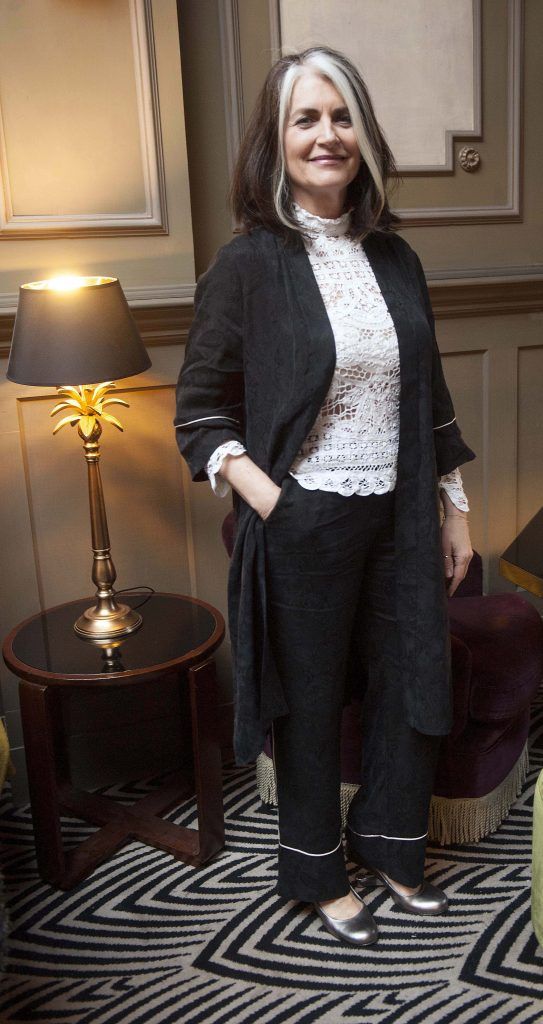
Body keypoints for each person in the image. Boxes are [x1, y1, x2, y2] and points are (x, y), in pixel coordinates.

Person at [175, 46, 475, 946]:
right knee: (306, 701)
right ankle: (312, 872)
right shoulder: (249, 264)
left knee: (408, 680)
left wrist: (452, 507)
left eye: (340, 117)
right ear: (276, 139)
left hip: (401, 516)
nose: (326, 135)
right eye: (305, 119)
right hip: (303, 517)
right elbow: (197, 412)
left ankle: (389, 844)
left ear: (363, 135)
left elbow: (427, 392)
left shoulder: (395, 257)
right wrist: (273, 503)